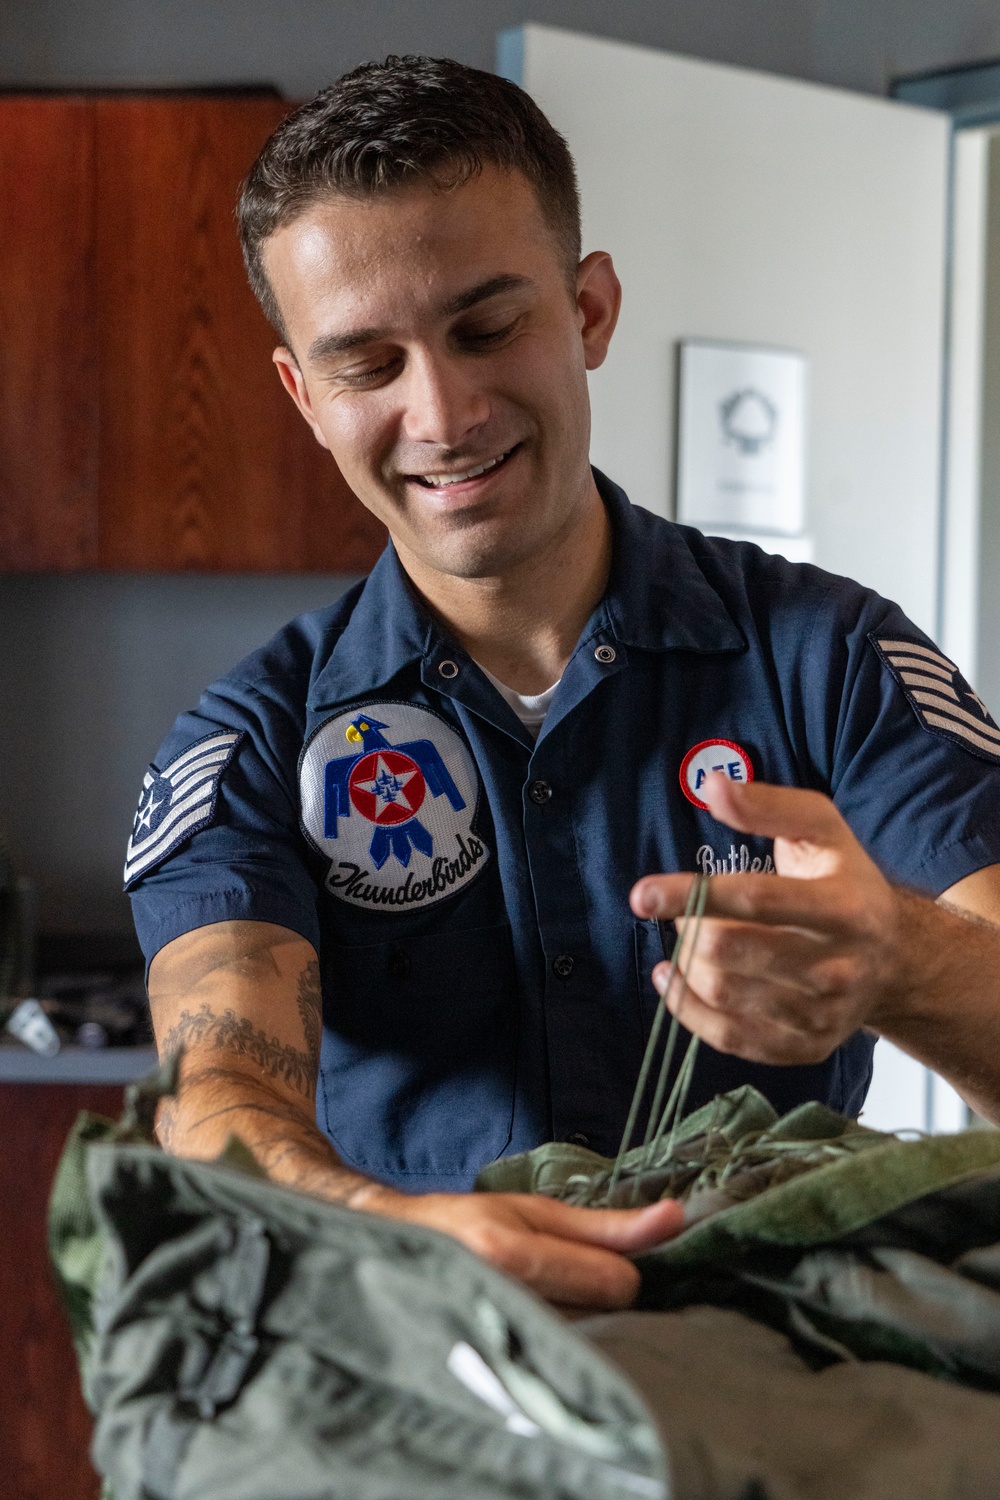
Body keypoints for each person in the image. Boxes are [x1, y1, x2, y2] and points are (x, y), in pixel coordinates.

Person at [128, 56, 1000, 1312]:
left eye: (488, 327)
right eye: (367, 366)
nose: (444, 411)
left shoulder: (837, 663)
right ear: (301, 395)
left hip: (782, 1382)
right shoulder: (249, 746)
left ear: (589, 311)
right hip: (433, 1367)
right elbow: (219, 1103)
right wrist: (394, 1226)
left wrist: (902, 961)